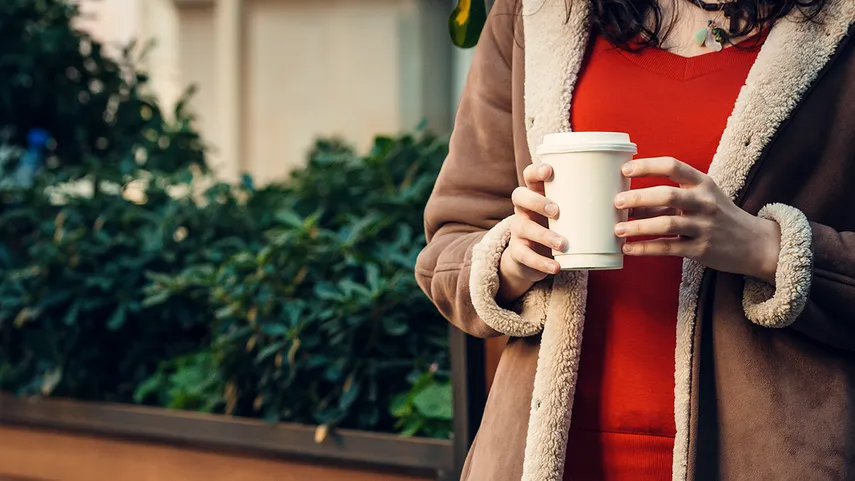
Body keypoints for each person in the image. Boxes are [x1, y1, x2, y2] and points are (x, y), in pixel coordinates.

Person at [416, 0, 855, 479]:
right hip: (548, 457)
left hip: (772, 456)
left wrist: (768, 249)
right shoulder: (537, 12)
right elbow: (450, 244)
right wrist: (509, 261)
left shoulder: (842, 21)